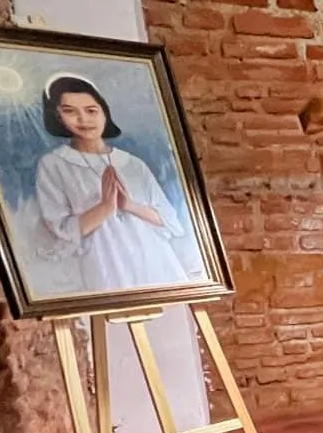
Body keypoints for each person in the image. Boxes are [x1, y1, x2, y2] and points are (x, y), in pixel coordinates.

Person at [33, 75, 204, 294]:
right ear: (57, 116)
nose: (83, 119)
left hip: (153, 261)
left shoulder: (133, 163)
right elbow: (60, 230)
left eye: (91, 110)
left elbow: (169, 220)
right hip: (105, 264)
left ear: (104, 112)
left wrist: (129, 205)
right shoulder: (54, 164)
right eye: (70, 111)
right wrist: (104, 208)